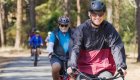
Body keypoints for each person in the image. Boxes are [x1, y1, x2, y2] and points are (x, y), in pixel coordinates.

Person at [68, 0, 127, 80]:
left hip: (104, 68)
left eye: (100, 14)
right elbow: (75, 48)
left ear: (104, 14)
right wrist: (72, 65)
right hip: (84, 69)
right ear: (89, 14)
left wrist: (121, 66)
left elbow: (117, 46)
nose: (97, 17)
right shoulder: (81, 30)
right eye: (94, 14)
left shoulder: (109, 29)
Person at [46, 16, 74, 80]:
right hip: (57, 56)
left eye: (66, 25)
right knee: (55, 67)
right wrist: (50, 51)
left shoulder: (73, 33)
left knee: (73, 72)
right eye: (62, 25)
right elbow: (50, 44)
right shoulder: (54, 33)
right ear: (59, 25)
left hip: (70, 57)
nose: (64, 27)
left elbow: (78, 44)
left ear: (68, 25)